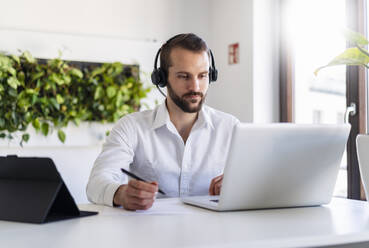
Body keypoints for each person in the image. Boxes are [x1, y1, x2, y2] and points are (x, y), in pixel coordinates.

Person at [86, 33, 239, 210]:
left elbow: (257, 182)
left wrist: (237, 186)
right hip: (150, 234)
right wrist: (121, 194)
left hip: (214, 234)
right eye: (184, 76)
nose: (195, 87)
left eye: (202, 75)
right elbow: (95, 184)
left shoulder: (230, 127)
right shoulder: (131, 127)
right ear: (162, 78)